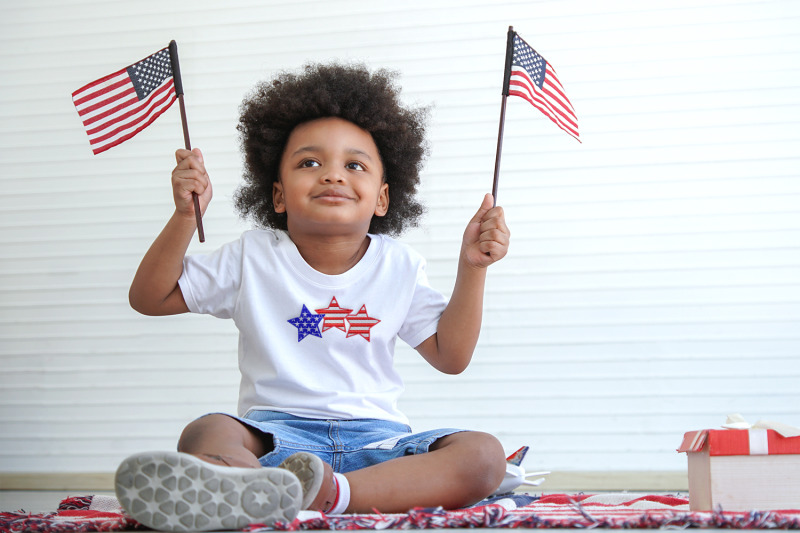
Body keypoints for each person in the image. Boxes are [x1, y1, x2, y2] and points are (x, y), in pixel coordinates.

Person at [115, 62, 511, 532]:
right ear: (278, 195)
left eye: (354, 165)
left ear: (382, 198)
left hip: (378, 446)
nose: (332, 175)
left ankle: (332, 493)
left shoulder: (400, 265)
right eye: (309, 163)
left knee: (484, 456)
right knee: (206, 431)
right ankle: (246, 484)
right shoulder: (252, 257)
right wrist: (186, 216)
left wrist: (473, 269)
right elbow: (150, 297)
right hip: (274, 438)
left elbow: (452, 355)